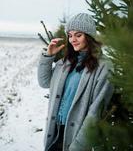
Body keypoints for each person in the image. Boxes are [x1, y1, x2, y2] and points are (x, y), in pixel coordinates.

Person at [38, 13, 114, 151]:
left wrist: (79, 145)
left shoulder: (104, 66)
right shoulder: (66, 62)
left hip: (77, 136)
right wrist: (48, 56)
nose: (73, 39)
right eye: (70, 35)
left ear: (89, 37)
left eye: (78, 35)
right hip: (56, 132)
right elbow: (44, 82)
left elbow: (96, 111)